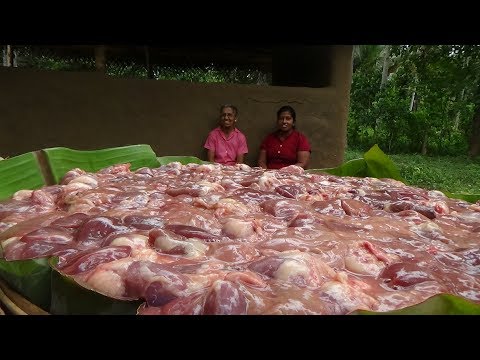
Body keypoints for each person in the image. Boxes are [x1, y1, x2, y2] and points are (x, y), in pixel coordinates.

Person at [258, 105, 311, 169]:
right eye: (281, 118)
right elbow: (261, 162)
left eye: (288, 118)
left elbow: (303, 163)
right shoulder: (269, 138)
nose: (284, 121)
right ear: (277, 121)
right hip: (270, 175)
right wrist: (266, 173)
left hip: (292, 176)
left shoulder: (300, 139)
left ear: (293, 122)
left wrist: (284, 173)